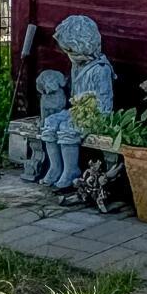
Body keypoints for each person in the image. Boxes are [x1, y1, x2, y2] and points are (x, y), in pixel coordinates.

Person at [38, 14, 115, 191]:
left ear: (84, 47)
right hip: (77, 111)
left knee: (67, 127)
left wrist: (88, 113)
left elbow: (104, 105)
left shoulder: (101, 70)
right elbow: (72, 90)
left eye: (72, 51)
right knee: (50, 122)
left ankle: (71, 170)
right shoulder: (77, 66)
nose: (70, 55)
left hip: (94, 116)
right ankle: (55, 167)